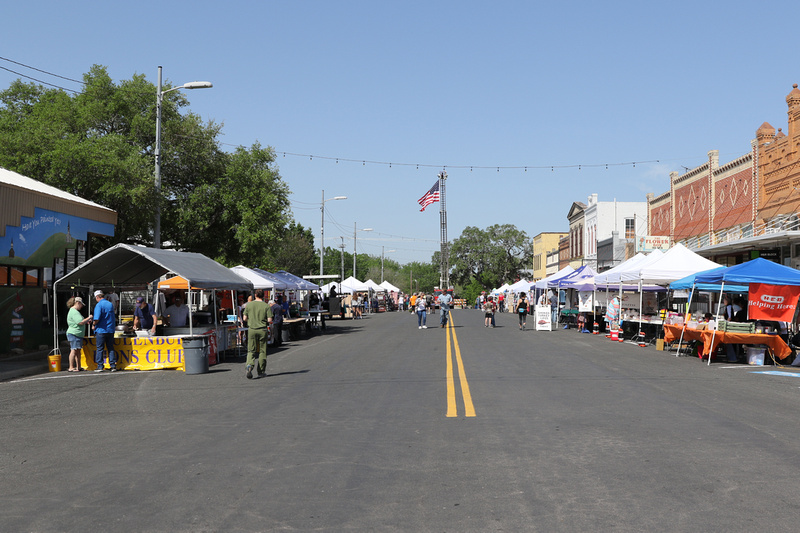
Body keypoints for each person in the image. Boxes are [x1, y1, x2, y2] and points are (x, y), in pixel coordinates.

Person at [242, 289, 270, 379]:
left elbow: (244, 318)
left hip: (252, 329)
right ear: (263, 296)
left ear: (255, 295)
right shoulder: (266, 306)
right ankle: (261, 371)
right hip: (262, 330)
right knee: (262, 351)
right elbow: (270, 320)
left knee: (251, 350)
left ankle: (249, 365)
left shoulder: (249, 305)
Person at [91, 290, 117, 372]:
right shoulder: (110, 304)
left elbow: (97, 318)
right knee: (110, 348)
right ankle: (113, 366)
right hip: (110, 329)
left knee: (100, 348)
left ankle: (100, 366)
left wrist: (93, 324)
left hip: (101, 329)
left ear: (97, 297)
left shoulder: (99, 305)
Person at [66, 296, 92, 371]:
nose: (82, 306)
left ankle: (78, 366)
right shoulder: (74, 312)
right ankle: (71, 367)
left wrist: (86, 321)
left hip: (77, 334)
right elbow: (80, 322)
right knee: (74, 350)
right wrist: (89, 317)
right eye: (81, 304)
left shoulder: (74, 311)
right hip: (74, 333)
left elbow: (80, 322)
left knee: (77, 350)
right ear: (78, 303)